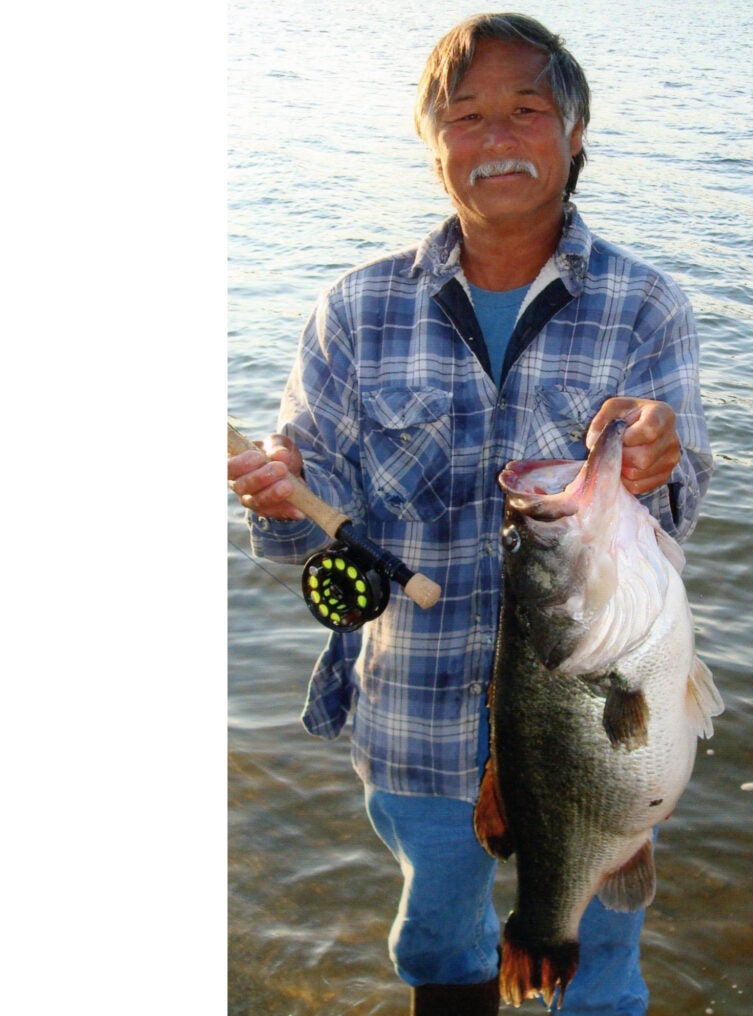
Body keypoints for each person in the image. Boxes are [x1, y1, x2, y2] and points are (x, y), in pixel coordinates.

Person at [228, 13, 713, 1015]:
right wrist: (277, 490)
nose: (495, 138)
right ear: (430, 138)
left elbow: (681, 495)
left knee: (599, 959)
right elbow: (294, 537)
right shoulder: (353, 311)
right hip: (413, 719)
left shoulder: (645, 306)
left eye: (525, 111)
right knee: (440, 944)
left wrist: (660, 458)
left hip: (603, 738)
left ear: (575, 133)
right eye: (465, 116)